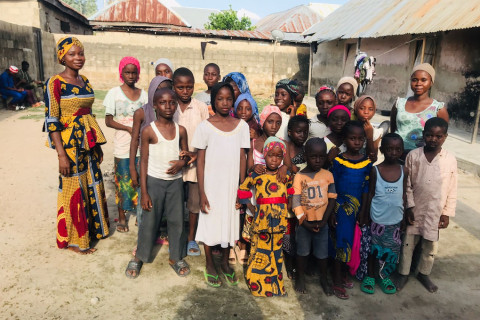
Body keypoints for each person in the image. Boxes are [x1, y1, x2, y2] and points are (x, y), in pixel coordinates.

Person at [43, 36, 109, 254]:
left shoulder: (85, 81)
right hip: (69, 146)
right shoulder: (55, 83)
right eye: (72, 54)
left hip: (88, 144)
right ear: (62, 56)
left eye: (80, 53)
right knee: (74, 190)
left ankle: (93, 230)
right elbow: (52, 120)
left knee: (92, 183)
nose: (78, 58)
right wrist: (61, 155)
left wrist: (97, 145)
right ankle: (74, 241)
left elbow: (89, 114)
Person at [125, 87, 191, 279]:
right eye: (163, 102)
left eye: (172, 102)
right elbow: (143, 161)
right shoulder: (148, 131)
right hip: (153, 183)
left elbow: (186, 156)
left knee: (177, 221)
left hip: (175, 184)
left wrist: (182, 162)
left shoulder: (181, 131)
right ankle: (140, 256)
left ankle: (176, 257)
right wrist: (144, 192)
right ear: (154, 105)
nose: (168, 106)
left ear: (176, 105)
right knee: (149, 222)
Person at [192, 82, 250, 287]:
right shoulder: (204, 127)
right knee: (210, 224)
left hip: (232, 186)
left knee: (230, 224)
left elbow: (243, 158)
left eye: (228, 99)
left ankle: (225, 263)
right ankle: (210, 263)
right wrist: (201, 192)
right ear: (213, 101)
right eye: (220, 99)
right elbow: (200, 161)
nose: (225, 103)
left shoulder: (242, 126)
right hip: (211, 186)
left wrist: (241, 189)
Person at [396, 117, 457, 293]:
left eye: (438, 136)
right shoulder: (414, 156)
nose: (433, 139)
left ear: (445, 137)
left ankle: (423, 273)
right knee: (408, 243)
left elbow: (452, 188)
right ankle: (403, 273)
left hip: (435, 211)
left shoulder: (450, 160)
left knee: (430, 246)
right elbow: (407, 184)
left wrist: (446, 213)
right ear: (423, 135)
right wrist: (409, 207)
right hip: (416, 208)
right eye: (429, 135)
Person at [238, 136, 294, 297]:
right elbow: (243, 190)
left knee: (276, 254)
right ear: (264, 154)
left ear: (282, 157)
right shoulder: (257, 173)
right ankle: (257, 286)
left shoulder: (285, 174)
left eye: (278, 156)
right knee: (259, 253)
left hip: (279, 223)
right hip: (261, 221)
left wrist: (288, 205)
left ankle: (275, 286)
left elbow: (291, 191)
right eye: (271, 155)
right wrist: (250, 206)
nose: (274, 160)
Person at [104, 56, 147, 233]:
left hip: (140, 145)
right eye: (127, 72)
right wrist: (128, 128)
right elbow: (108, 120)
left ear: (138, 74)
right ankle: (122, 217)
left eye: (133, 72)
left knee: (140, 179)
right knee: (122, 181)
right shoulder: (114, 93)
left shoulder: (143, 94)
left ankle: (140, 215)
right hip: (123, 144)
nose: (130, 75)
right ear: (121, 73)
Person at [329, 121, 372, 299]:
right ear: (345, 140)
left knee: (353, 243)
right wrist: (331, 212)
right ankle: (336, 280)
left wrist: (363, 212)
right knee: (341, 242)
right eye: (352, 138)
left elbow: (366, 188)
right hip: (340, 209)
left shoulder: (367, 163)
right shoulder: (338, 161)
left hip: (357, 210)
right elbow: (332, 188)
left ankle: (345, 273)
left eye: (360, 139)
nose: (356, 142)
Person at [361, 133, 405, 295]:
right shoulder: (375, 170)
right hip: (377, 220)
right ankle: (371, 275)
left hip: (395, 221)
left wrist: (405, 218)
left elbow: (404, 195)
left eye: (397, 149)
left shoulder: (404, 170)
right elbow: (370, 193)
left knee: (390, 250)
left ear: (402, 151)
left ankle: (383, 275)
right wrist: (365, 215)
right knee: (374, 250)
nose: (393, 152)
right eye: (389, 149)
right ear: (382, 150)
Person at [172, 67, 209, 256]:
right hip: (174, 165)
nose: (185, 91)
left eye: (189, 87)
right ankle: (177, 236)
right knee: (176, 204)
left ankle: (191, 239)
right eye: (180, 87)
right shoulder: (169, 106)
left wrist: (195, 155)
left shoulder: (201, 108)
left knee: (194, 205)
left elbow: (207, 136)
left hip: (195, 166)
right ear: (173, 87)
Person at [293, 138, 336, 295]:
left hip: (322, 224)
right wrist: (304, 223)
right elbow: (296, 203)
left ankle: (324, 279)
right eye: (313, 156)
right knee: (302, 252)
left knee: (322, 254)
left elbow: (332, 198)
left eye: (321, 157)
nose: (318, 160)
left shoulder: (328, 175)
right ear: (305, 156)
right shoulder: (299, 177)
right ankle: (300, 277)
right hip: (304, 224)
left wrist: (324, 221)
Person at [390, 63, 449, 154]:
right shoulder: (399, 103)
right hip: (396, 155)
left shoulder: (438, 109)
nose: (418, 83)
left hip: (421, 157)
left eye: (423, 80)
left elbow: (441, 136)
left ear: (431, 82)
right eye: (414, 80)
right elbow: (393, 129)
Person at [354, 95, 382, 162]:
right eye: (362, 108)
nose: (366, 112)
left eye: (370, 109)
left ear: (374, 111)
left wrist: (369, 136)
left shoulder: (376, 132)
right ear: (356, 108)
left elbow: (373, 158)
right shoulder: (350, 127)